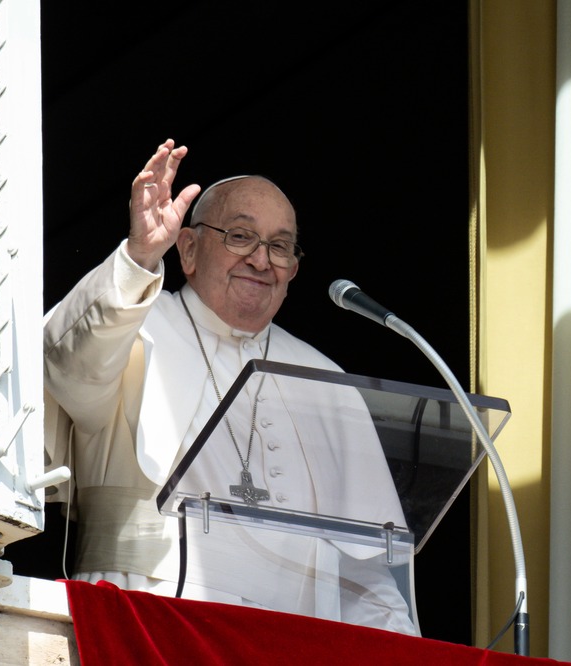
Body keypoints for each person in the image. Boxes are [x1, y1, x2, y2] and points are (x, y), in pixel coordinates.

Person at [42, 139, 417, 635]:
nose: (262, 260)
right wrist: (138, 257)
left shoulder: (327, 380)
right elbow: (68, 364)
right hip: (145, 617)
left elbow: (367, 568)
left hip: (293, 641)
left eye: (280, 246)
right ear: (190, 249)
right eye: (241, 237)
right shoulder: (131, 324)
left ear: (294, 271)